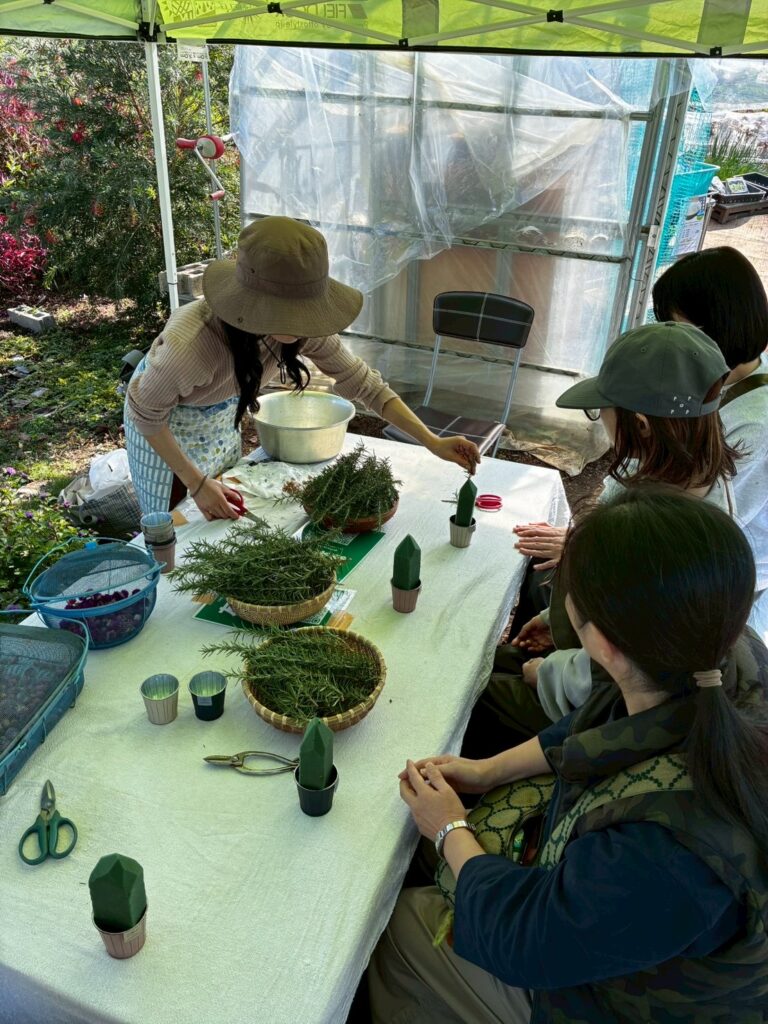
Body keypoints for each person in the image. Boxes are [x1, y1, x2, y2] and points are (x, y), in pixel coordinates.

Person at [369, 489, 768, 1024]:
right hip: (624, 924)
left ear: (600, 644)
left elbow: (527, 938)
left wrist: (448, 830)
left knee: (401, 924)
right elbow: (591, 728)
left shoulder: (666, 851)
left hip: (614, 1000)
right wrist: (487, 771)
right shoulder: (718, 651)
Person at [463, 321, 740, 754]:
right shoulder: (697, 476)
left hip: (606, 711)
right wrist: (558, 621)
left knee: (471, 691)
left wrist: (547, 674)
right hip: (595, 661)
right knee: (490, 657)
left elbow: (624, 670)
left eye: (602, 409)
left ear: (641, 425)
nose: (600, 419)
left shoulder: (659, 538)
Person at [124, 217, 480, 519]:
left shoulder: (302, 330)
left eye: (305, 309)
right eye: (288, 311)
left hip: (215, 418)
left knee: (223, 507)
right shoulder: (191, 346)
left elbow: (365, 385)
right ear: (252, 302)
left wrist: (432, 441)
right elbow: (147, 413)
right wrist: (196, 483)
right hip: (161, 424)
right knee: (175, 522)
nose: (301, 323)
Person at [652, 246, 768, 642]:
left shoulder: (755, 423)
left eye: (676, 327)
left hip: (719, 585)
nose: (668, 341)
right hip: (683, 552)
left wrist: (599, 548)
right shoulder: (717, 379)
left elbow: (701, 530)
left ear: (718, 326)